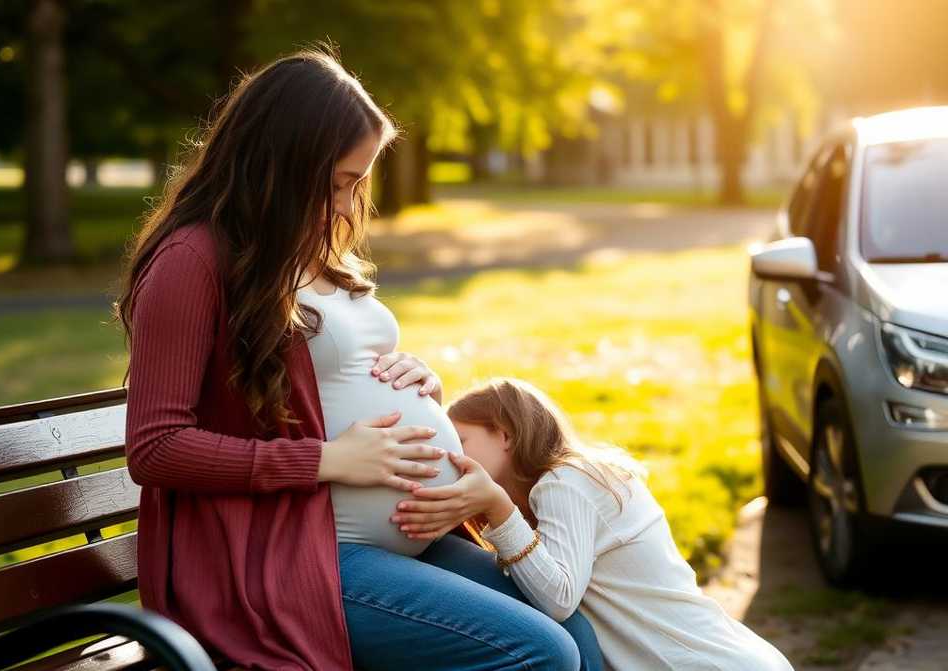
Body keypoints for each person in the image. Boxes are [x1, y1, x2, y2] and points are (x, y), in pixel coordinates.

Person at [115, 47, 602, 670]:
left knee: (575, 634)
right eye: (338, 184)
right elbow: (155, 448)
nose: (348, 206)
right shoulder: (191, 260)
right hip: (288, 558)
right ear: (282, 164)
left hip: (376, 541)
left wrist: (420, 385)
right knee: (540, 653)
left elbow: (322, 379)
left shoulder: (297, 248)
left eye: (356, 184)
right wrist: (327, 458)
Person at [392, 377, 794, 671]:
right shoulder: (565, 485)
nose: (454, 456)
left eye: (461, 441)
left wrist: (498, 508)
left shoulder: (566, 482)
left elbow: (558, 598)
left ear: (505, 434)